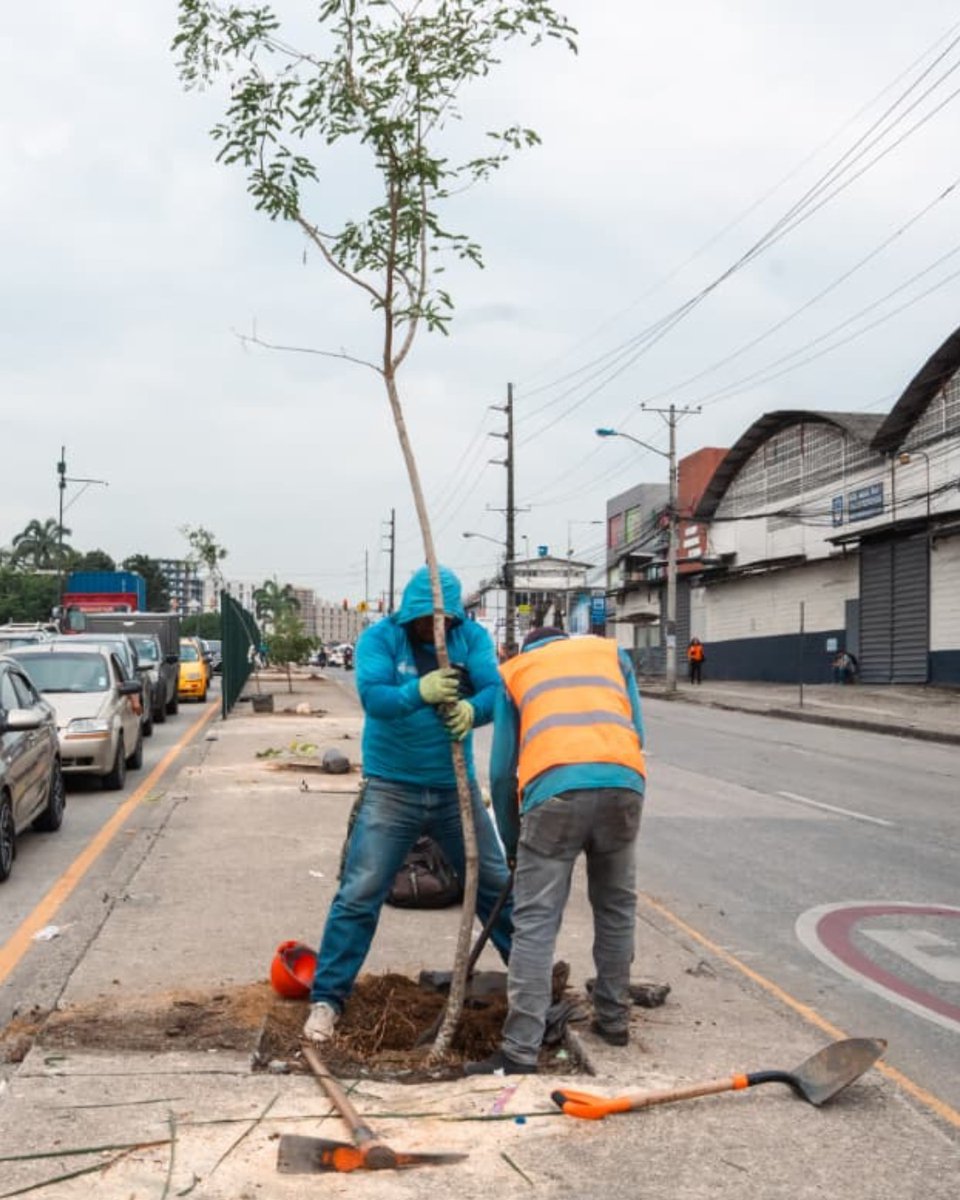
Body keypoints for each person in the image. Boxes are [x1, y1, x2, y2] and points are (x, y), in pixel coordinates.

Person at [303, 564, 514, 1044]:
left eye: (443, 618)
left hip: (452, 789)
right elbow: (374, 698)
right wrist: (419, 691)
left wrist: (470, 711)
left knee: (494, 884)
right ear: (412, 612)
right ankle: (327, 1000)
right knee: (360, 892)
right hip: (391, 788)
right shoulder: (382, 638)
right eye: (427, 617)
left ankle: (530, 986)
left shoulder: (471, 639)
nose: (434, 627)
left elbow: (494, 693)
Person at [466, 627, 646, 1075]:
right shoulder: (610, 654)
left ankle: (519, 1051)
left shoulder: (517, 671)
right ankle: (614, 1020)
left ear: (527, 648)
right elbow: (636, 731)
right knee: (617, 907)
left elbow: (505, 773)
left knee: (536, 921)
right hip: (624, 783)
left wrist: (512, 844)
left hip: (554, 793)